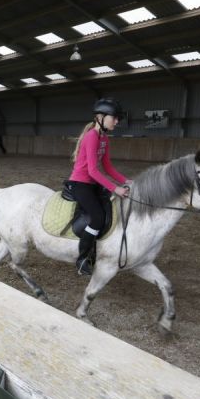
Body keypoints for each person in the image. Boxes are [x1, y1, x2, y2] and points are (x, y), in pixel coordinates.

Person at [65, 98, 132, 276]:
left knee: (110, 209)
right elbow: (93, 171)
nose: (117, 121)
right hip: (80, 183)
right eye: (114, 118)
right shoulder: (92, 137)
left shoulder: (104, 138)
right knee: (97, 217)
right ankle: (83, 259)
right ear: (100, 117)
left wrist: (127, 181)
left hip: (92, 183)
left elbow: (108, 167)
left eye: (118, 118)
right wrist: (115, 189)